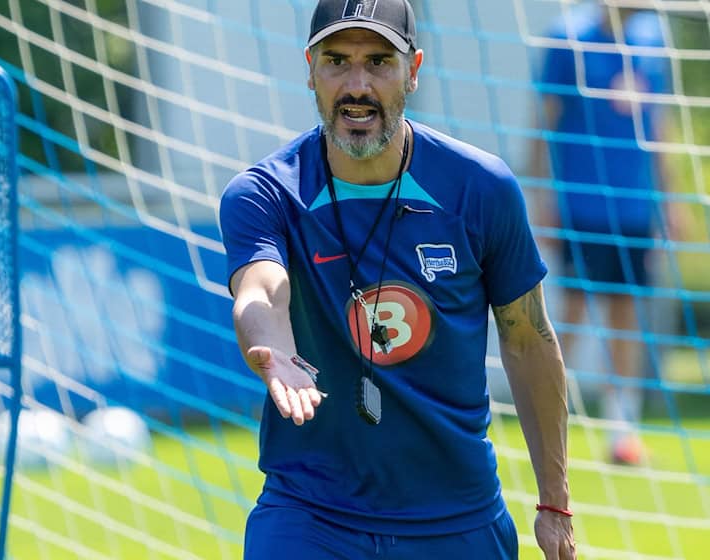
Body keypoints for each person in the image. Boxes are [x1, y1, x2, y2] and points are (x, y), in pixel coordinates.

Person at [219, 0, 575, 558]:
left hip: (457, 518)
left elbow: (529, 340)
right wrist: (274, 346)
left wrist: (555, 503)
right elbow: (262, 288)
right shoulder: (265, 193)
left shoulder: (480, 188)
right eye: (337, 61)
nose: (356, 85)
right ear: (310, 68)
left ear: (413, 70)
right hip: (310, 515)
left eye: (379, 62)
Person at [531, 1, 675, 466]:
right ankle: (549, 418)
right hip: (580, 206)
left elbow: (661, 126)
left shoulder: (655, 39)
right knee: (571, 313)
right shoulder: (568, 37)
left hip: (635, 209)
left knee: (628, 316)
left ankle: (621, 430)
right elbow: (543, 124)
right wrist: (541, 198)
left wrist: (668, 202)